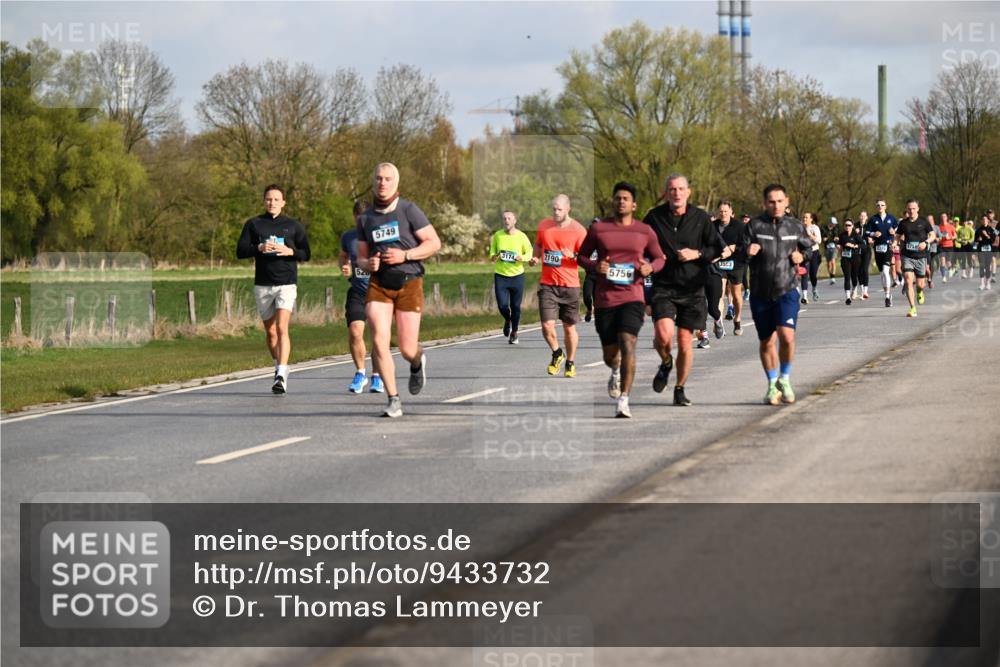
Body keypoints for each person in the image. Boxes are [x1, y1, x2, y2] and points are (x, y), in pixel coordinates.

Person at [356, 162, 442, 418]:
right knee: (379, 339)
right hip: (379, 284)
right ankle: (393, 399)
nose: (383, 183)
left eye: (388, 179)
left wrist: (406, 255)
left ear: (396, 183)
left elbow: (434, 243)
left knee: (406, 348)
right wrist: (367, 263)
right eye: (379, 178)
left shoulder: (409, 210)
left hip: (409, 282)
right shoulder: (366, 218)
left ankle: (416, 361)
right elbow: (360, 257)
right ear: (373, 182)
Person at [577, 182, 665, 418]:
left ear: (633, 204)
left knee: (628, 343)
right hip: (605, 300)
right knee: (610, 355)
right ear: (612, 201)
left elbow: (660, 258)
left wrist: (650, 267)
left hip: (632, 298)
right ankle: (615, 370)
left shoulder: (644, 231)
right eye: (617, 198)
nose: (621, 201)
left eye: (626, 198)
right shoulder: (599, 229)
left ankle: (624, 400)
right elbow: (581, 256)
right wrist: (596, 265)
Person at [642, 174, 724, 406]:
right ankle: (666, 362)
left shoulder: (700, 218)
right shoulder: (654, 217)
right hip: (663, 287)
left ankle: (680, 388)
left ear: (688, 192)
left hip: (692, 287)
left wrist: (696, 254)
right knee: (663, 336)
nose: (676, 193)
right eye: (672, 189)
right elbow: (639, 245)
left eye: (681, 189)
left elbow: (716, 247)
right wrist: (642, 262)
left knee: (685, 341)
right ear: (666, 193)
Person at [236, 184, 311, 394]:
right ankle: (278, 364)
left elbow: (306, 253)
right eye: (269, 199)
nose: (272, 203)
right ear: (264, 201)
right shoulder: (254, 224)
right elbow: (240, 251)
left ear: (283, 202)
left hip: (286, 283)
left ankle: (281, 374)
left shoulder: (293, 226)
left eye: (276, 199)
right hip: (262, 284)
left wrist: (290, 251)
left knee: (281, 328)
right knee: (270, 333)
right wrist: (258, 248)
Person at [745, 184, 813, 405]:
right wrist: (747, 252)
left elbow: (810, 249)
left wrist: (801, 257)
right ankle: (772, 384)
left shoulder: (795, 226)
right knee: (766, 342)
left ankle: (785, 378)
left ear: (787, 201)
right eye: (771, 202)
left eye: (779, 201)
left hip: (787, 289)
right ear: (765, 203)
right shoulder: (755, 226)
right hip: (760, 293)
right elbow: (738, 253)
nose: (776, 205)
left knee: (786, 336)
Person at [530, 194, 587, 377]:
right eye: (554, 209)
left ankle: (570, 362)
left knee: (569, 327)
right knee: (547, 325)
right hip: (548, 284)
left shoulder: (579, 231)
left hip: (570, 285)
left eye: (559, 209)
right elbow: (538, 244)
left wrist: (573, 256)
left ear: (568, 209)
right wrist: (535, 257)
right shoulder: (544, 226)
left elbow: (588, 259)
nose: (555, 212)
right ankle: (557, 353)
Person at [339, 200, 383, 394]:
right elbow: (343, 256)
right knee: (356, 332)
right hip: (357, 291)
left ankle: (377, 376)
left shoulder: (382, 237)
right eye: (359, 219)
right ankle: (360, 373)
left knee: (378, 337)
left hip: (378, 292)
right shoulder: (348, 237)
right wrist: (344, 266)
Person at [488, 210, 533, 344]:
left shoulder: (522, 236)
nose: (506, 221)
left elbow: (529, 253)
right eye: (504, 218)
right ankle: (508, 319)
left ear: (514, 221)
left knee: (516, 306)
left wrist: (522, 257)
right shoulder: (498, 235)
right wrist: (494, 257)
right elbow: (492, 254)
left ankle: (514, 332)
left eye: (509, 218)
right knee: (502, 305)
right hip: (501, 276)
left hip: (517, 276)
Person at [896, 199, 936, 318]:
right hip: (907, 255)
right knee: (908, 280)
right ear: (906, 209)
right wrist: (894, 242)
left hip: (921, 256)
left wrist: (926, 243)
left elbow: (933, 235)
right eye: (909, 209)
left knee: (920, 284)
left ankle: (919, 291)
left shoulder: (924, 222)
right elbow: (897, 236)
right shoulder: (903, 223)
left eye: (913, 208)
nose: (911, 211)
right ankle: (913, 308)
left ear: (918, 209)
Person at [717, 201, 751, 335]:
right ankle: (718, 322)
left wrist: (735, 247)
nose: (723, 214)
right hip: (719, 262)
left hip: (736, 263)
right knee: (719, 293)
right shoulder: (713, 226)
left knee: (736, 295)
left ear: (731, 212)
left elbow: (746, 244)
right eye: (721, 211)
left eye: (725, 211)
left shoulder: (740, 226)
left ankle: (737, 319)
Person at [865, 199, 899, 307]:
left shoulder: (891, 218)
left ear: (886, 206)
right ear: (876, 207)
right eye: (878, 205)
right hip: (878, 248)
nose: (880, 206)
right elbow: (866, 232)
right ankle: (887, 294)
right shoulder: (873, 219)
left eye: (882, 205)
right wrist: (873, 233)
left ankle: (888, 297)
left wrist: (894, 232)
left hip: (888, 247)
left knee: (885, 271)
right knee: (882, 274)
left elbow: (899, 228)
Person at [836, 219, 863, 305]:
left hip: (855, 257)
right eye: (846, 225)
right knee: (847, 277)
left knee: (854, 276)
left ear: (852, 226)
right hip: (845, 258)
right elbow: (840, 244)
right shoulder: (842, 235)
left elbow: (863, 245)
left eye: (849, 225)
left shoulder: (856, 235)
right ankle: (848, 297)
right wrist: (839, 246)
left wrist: (854, 245)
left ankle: (854, 287)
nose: (847, 227)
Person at [582, 217, 601, 322]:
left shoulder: (604, 241)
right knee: (587, 296)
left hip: (601, 275)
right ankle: (589, 309)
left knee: (598, 299)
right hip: (589, 274)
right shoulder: (586, 242)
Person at [800, 212, 822, 303]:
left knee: (813, 275)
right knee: (804, 274)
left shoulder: (814, 228)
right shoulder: (800, 228)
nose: (804, 219)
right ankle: (804, 297)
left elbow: (819, 240)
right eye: (804, 217)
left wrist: (810, 235)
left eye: (806, 217)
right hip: (804, 253)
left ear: (811, 219)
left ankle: (814, 288)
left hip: (814, 252)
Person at [975, 214, 998, 290]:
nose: (984, 221)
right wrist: (979, 239)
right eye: (983, 220)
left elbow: (993, 240)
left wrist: (987, 235)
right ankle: (982, 284)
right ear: (982, 221)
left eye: (986, 220)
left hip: (988, 250)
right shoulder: (978, 230)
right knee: (982, 266)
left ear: (988, 221)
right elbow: (975, 240)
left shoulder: (991, 230)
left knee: (987, 267)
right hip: (981, 250)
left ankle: (988, 283)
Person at [855, 210, 872, 300]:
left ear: (866, 217)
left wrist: (871, 240)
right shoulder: (855, 226)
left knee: (865, 269)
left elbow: (873, 237)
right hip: (857, 251)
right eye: (861, 216)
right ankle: (862, 290)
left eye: (864, 216)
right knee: (859, 271)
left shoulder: (869, 226)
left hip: (866, 250)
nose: (862, 217)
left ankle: (865, 291)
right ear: (859, 217)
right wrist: (855, 232)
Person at [936, 213, 956, 282]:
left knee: (948, 262)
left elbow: (955, 236)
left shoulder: (951, 226)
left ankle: (952, 269)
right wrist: (938, 238)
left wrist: (949, 237)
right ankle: (944, 277)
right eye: (942, 217)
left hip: (949, 246)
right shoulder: (938, 227)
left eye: (944, 217)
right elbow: (936, 235)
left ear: (946, 218)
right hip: (942, 246)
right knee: (942, 261)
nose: (943, 218)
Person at [822, 217, 840, 285]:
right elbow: (824, 239)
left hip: (834, 247)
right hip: (827, 248)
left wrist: (831, 239)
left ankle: (833, 277)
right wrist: (832, 238)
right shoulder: (824, 229)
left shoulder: (836, 229)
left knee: (833, 261)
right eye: (833, 223)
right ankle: (831, 276)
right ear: (830, 223)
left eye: (835, 223)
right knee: (829, 263)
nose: (834, 224)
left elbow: (837, 238)